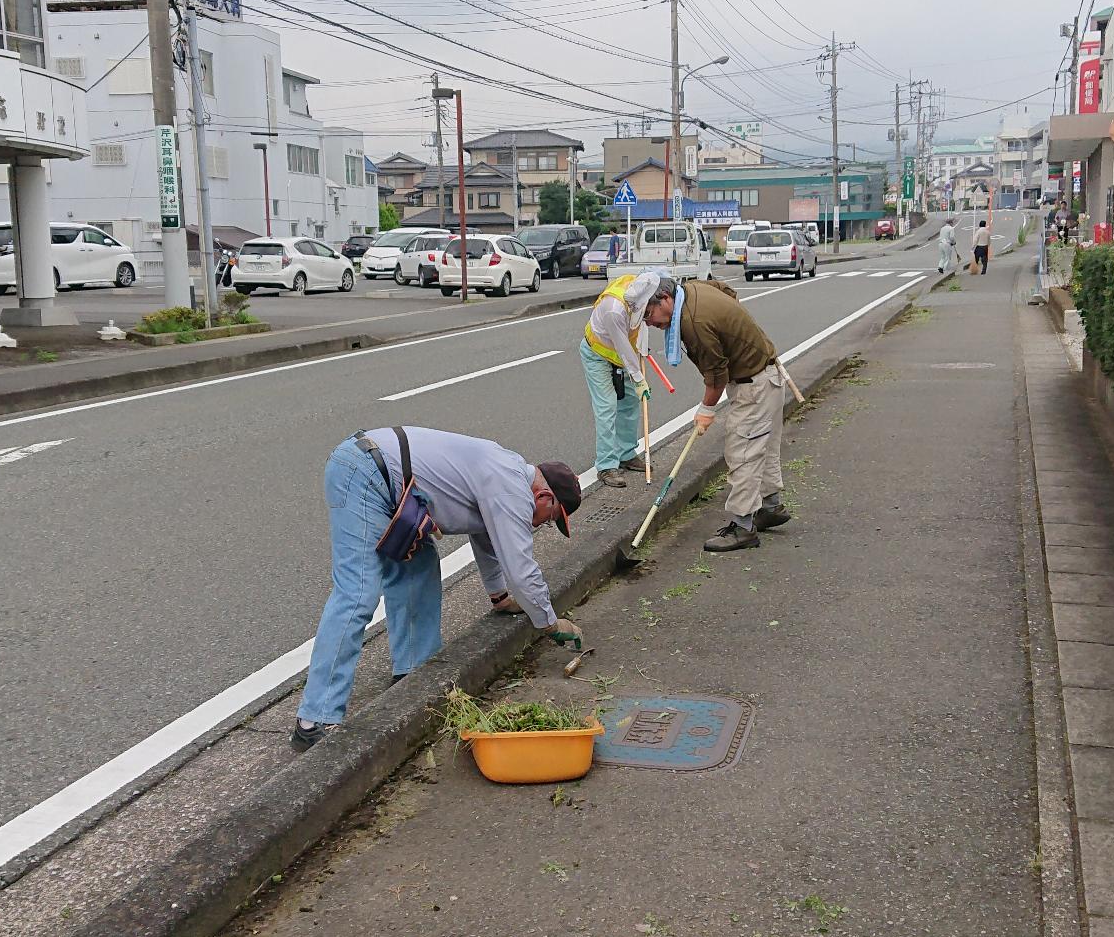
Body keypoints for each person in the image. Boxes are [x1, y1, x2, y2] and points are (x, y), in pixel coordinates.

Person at [293, 427, 584, 751]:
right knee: (357, 591)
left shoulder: (506, 472)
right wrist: (550, 622)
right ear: (544, 497)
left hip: (386, 481)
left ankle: (414, 676)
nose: (541, 524)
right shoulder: (512, 487)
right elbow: (521, 569)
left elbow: (487, 539)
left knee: (419, 563)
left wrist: (499, 598)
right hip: (365, 474)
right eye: (549, 518)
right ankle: (314, 719)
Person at [641, 278, 788, 554]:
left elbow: (716, 375)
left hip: (753, 385)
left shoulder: (693, 323)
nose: (650, 323)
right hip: (768, 376)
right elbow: (728, 292)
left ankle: (743, 527)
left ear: (666, 299)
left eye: (649, 315)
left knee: (742, 452)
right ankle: (770, 506)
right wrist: (734, 330)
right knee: (763, 447)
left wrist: (706, 410)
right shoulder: (693, 289)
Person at [579, 268, 663, 488]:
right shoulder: (614, 310)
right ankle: (606, 466)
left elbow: (640, 330)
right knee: (607, 406)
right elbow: (624, 348)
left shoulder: (640, 291)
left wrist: (643, 352)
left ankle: (626, 453)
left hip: (622, 355)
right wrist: (639, 380)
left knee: (630, 403)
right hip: (597, 353)